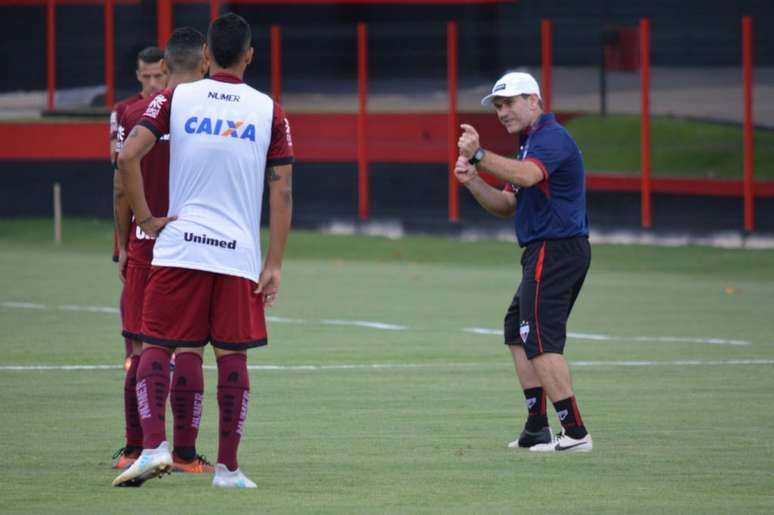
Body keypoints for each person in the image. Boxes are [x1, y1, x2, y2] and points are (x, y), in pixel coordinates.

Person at [113, 13, 294, 488]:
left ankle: (153, 447)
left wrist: (148, 218)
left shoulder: (176, 97)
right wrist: (273, 262)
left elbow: (127, 156)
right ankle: (229, 470)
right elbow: (282, 192)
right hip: (236, 254)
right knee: (232, 357)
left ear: (208, 56)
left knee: (157, 345)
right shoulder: (269, 109)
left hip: (178, 248)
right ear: (250, 56)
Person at [455, 71, 592, 452]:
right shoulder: (529, 145)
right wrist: (472, 181)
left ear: (534, 101)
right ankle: (537, 427)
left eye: (510, 102)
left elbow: (529, 178)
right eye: (498, 106)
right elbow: (507, 204)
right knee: (518, 330)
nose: (502, 111)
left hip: (557, 248)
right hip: (543, 249)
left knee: (541, 340)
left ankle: (576, 433)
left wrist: (480, 155)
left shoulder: (550, 138)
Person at [110, 28, 212, 474]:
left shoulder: (135, 113)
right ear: (205, 63)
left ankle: (136, 448)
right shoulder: (215, 113)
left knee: (140, 345)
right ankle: (187, 455)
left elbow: (120, 184)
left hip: (147, 239)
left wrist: (126, 240)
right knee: (189, 347)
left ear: (165, 70)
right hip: (192, 243)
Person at [110, 46, 167, 364]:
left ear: (168, 72)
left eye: (159, 76)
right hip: (136, 217)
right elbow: (118, 167)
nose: (153, 83)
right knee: (132, 286)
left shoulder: (169, 110)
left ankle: (140, 361)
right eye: (147, 77)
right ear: (137, 76)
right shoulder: (125, 111)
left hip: (149, 223)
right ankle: (133, 356)